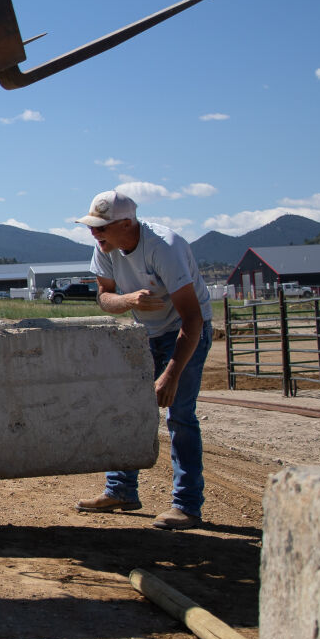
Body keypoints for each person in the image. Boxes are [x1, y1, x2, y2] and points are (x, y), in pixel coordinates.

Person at [72, 190, 211, 530]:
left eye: (101, 227)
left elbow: (192, 319)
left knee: (179, 415)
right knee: (126, 407)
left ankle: (187, 505)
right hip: (146, 333)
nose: (94, 233)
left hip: (186, 331)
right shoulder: (105, 247)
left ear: (126, 224)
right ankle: (120, 490)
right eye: (92, 227)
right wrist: (130, 300)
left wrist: (171, 375)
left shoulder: (164, 248)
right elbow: (104, 298)